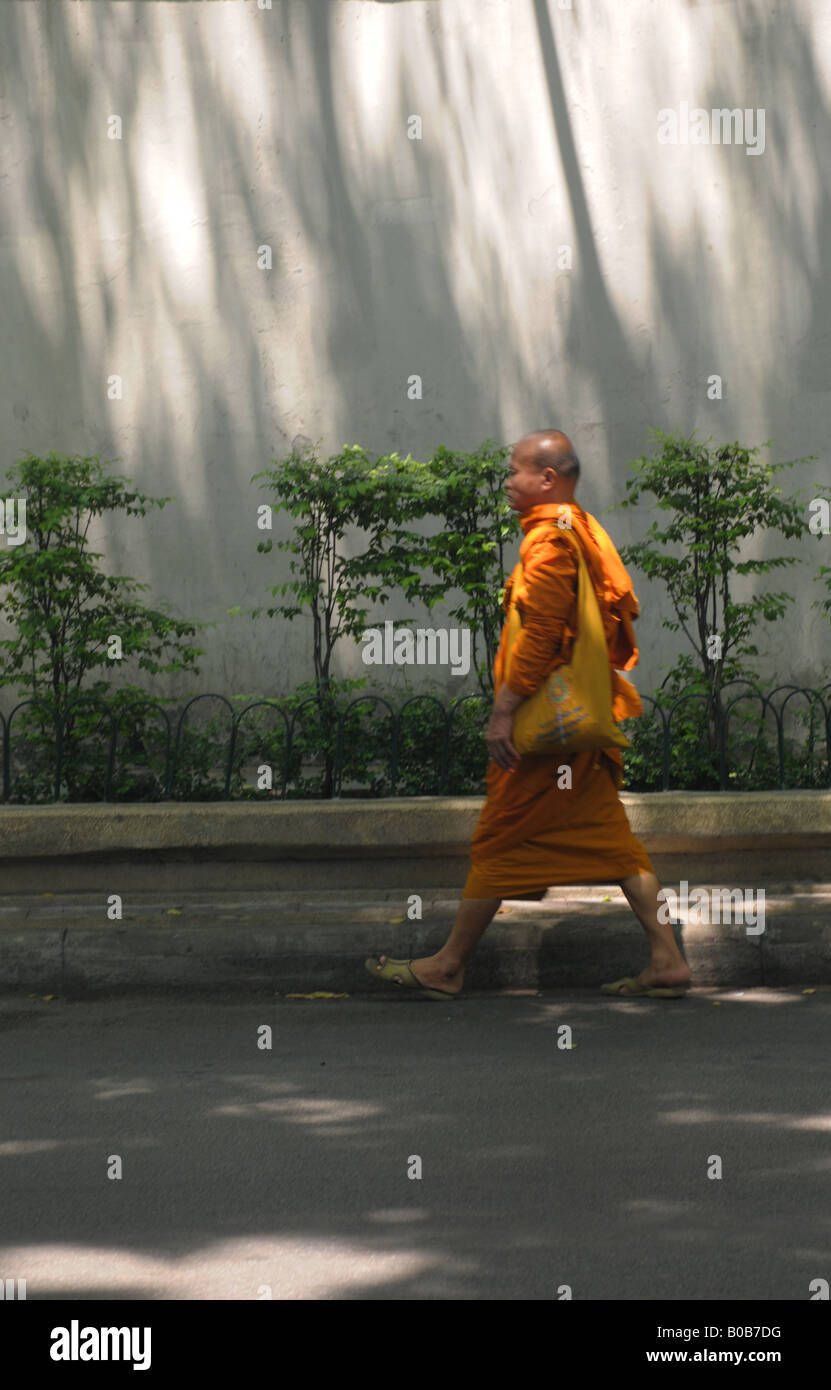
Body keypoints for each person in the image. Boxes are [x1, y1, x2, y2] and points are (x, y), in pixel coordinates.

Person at [366, 430, 691, 1000]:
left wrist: (503, 712)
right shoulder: (578, 529)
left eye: (515, 471)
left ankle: (448, 965)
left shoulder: (551, 543)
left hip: (546, 733)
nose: (507, 481)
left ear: (548, 479)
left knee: (498, 838)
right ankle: (666, 958)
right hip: (576, 731)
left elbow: (540, 636)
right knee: (616, 844)